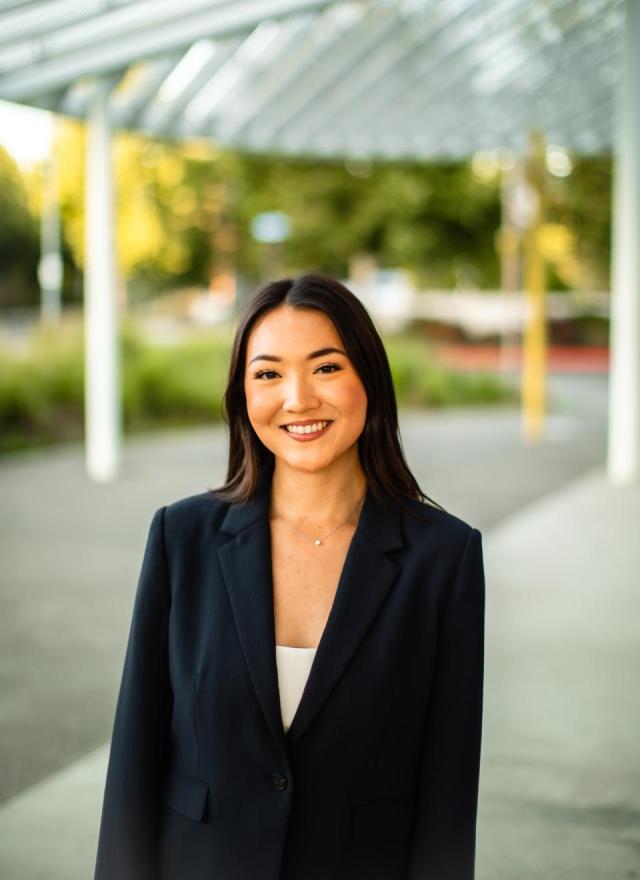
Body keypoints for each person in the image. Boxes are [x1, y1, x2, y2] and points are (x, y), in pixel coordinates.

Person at [94, 272, 485, 880]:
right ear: (243, 395)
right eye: (268, 374)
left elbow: (448, 794)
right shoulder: (182, 537)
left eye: (326, 367)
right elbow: (135, 759)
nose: (297, 399)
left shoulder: (444, 557)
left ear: (369, 378)